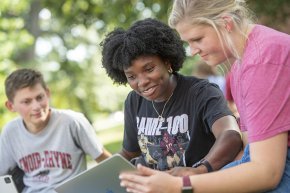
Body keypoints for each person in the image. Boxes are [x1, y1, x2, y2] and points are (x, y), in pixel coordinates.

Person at [119, 0, 290, 193]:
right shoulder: (240, 65)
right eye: (188, 43)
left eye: (198, 39)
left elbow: (267, 172)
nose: (193, 51)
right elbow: (251, 147)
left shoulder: (262, 61)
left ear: (226, 23)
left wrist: (179, 186)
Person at [100, 17, 243, 176]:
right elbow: (129, 154)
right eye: (132, 77)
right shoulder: (134, 101)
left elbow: (230, 134)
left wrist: (199, 170)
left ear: (167, 63)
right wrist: (99, 175)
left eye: (149, 69)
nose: (142, 82)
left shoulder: (202, 92)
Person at [0, 68, 111, 193]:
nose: (36, 106)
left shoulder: (72, 122)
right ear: (11, 106)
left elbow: (105, 160)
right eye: (27, 102)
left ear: (47, 93)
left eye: (39, 97)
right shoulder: (10, 132)